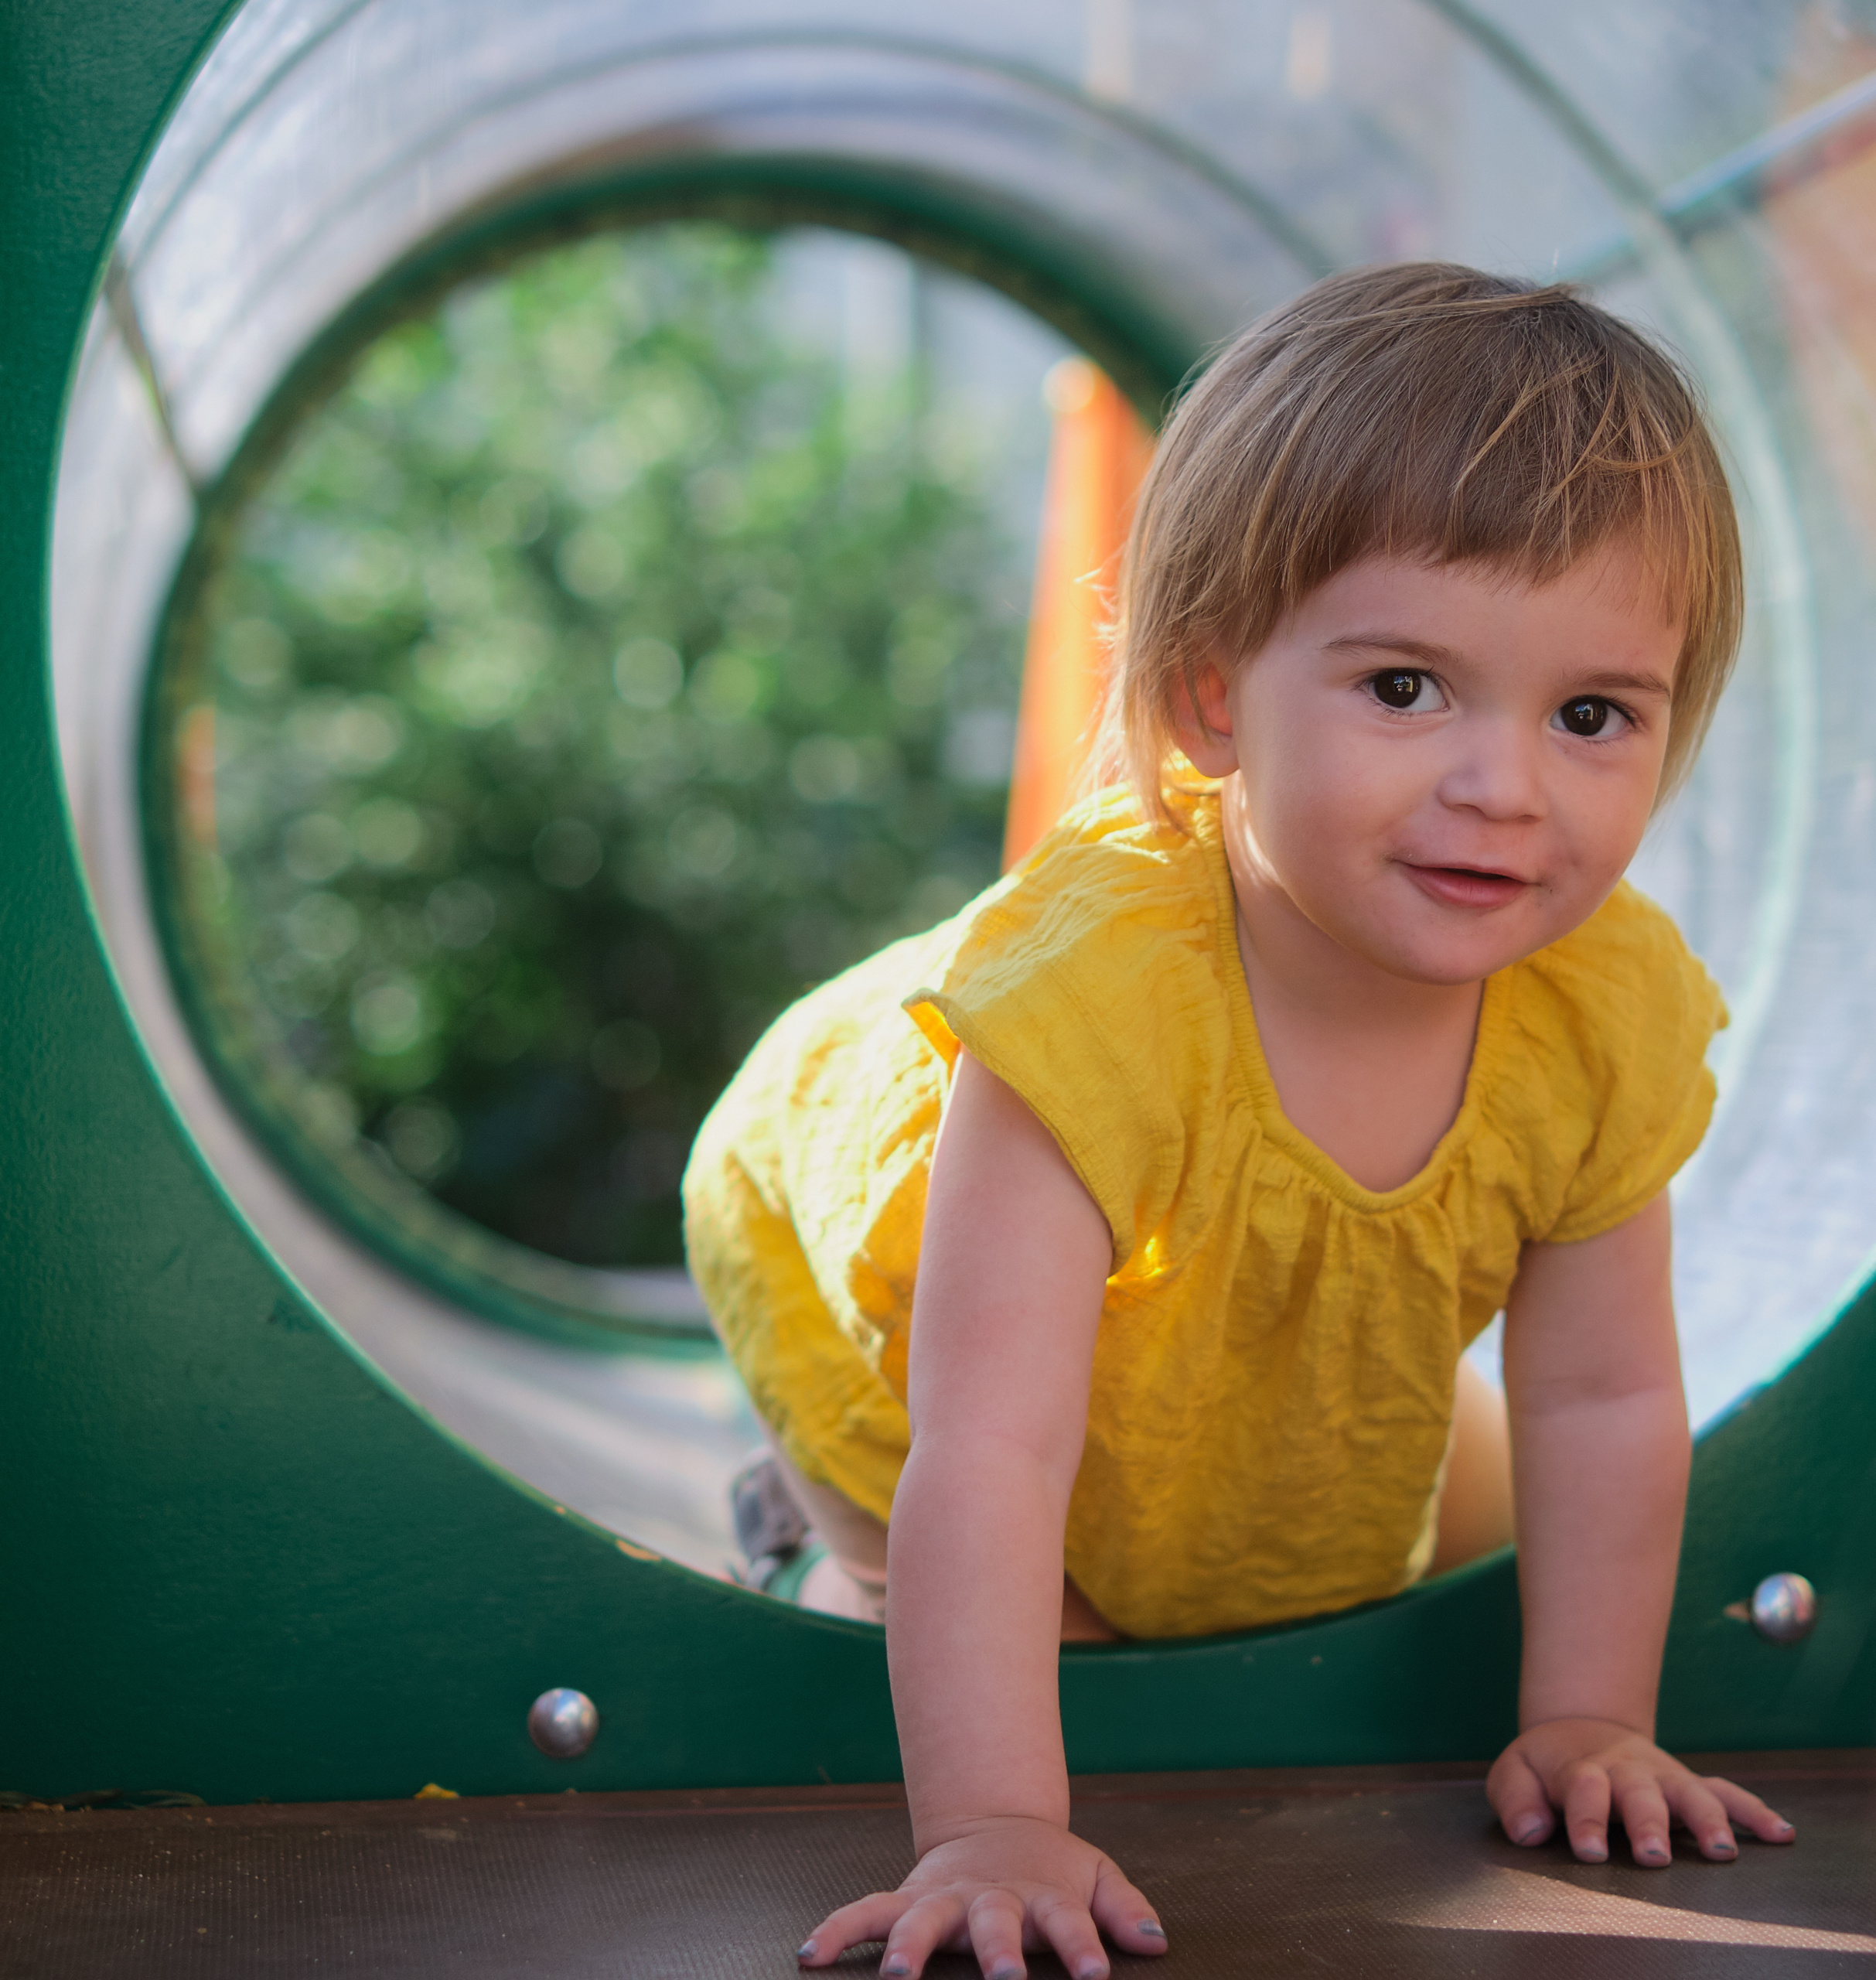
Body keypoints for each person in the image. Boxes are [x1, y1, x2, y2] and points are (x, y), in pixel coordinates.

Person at [681, 262, 1797, 1980]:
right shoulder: (1094, 1006)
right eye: (1406, 687)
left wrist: (1588, 1715)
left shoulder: (1599, 1004)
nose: (1504, 784)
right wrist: (991, 1827)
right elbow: (994, 1447)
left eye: (1590, 714)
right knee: (1045, 1609)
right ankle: (804, 1530)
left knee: (1467, 1518)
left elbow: (1604, 1387)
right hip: (917, 1317)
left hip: (1258, 1319)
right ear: (1213, 694)